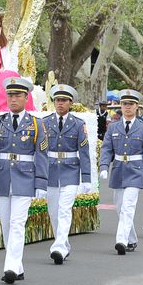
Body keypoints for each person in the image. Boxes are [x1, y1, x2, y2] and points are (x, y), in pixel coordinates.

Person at [0, 77, 48, 284]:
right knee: (6, 225)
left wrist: (41, 182)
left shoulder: (36, 124)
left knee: (18, 223)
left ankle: (10, 266)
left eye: (18, 95)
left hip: (25, 177)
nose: (13, 99)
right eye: (10, 95)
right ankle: (17, 266)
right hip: (1, 177)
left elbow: (42, 155)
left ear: (26, 97)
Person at [99, 89, 143, 255]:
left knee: (128, 207)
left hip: (135, 170)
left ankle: (121, 240)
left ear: (137, 106)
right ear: (121, 106)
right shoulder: (113, 127)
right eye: (124, 104)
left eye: (131, 104)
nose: (127, 107)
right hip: (118, 169)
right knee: (120, 207)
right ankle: (131, 239)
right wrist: (103, 167)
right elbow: (107, 148)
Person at [44, 84, 92, 265]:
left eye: (64, 100)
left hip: (71, 170)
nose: (60, 103)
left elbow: (84, 152)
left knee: (64, 209)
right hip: (50, 170)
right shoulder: (45, 122)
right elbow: (39, 153)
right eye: (57, 100)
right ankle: (63, 244)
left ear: (70, 103)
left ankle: (58, 247)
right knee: (54, 211)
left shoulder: (78, 124)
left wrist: (86, 178)